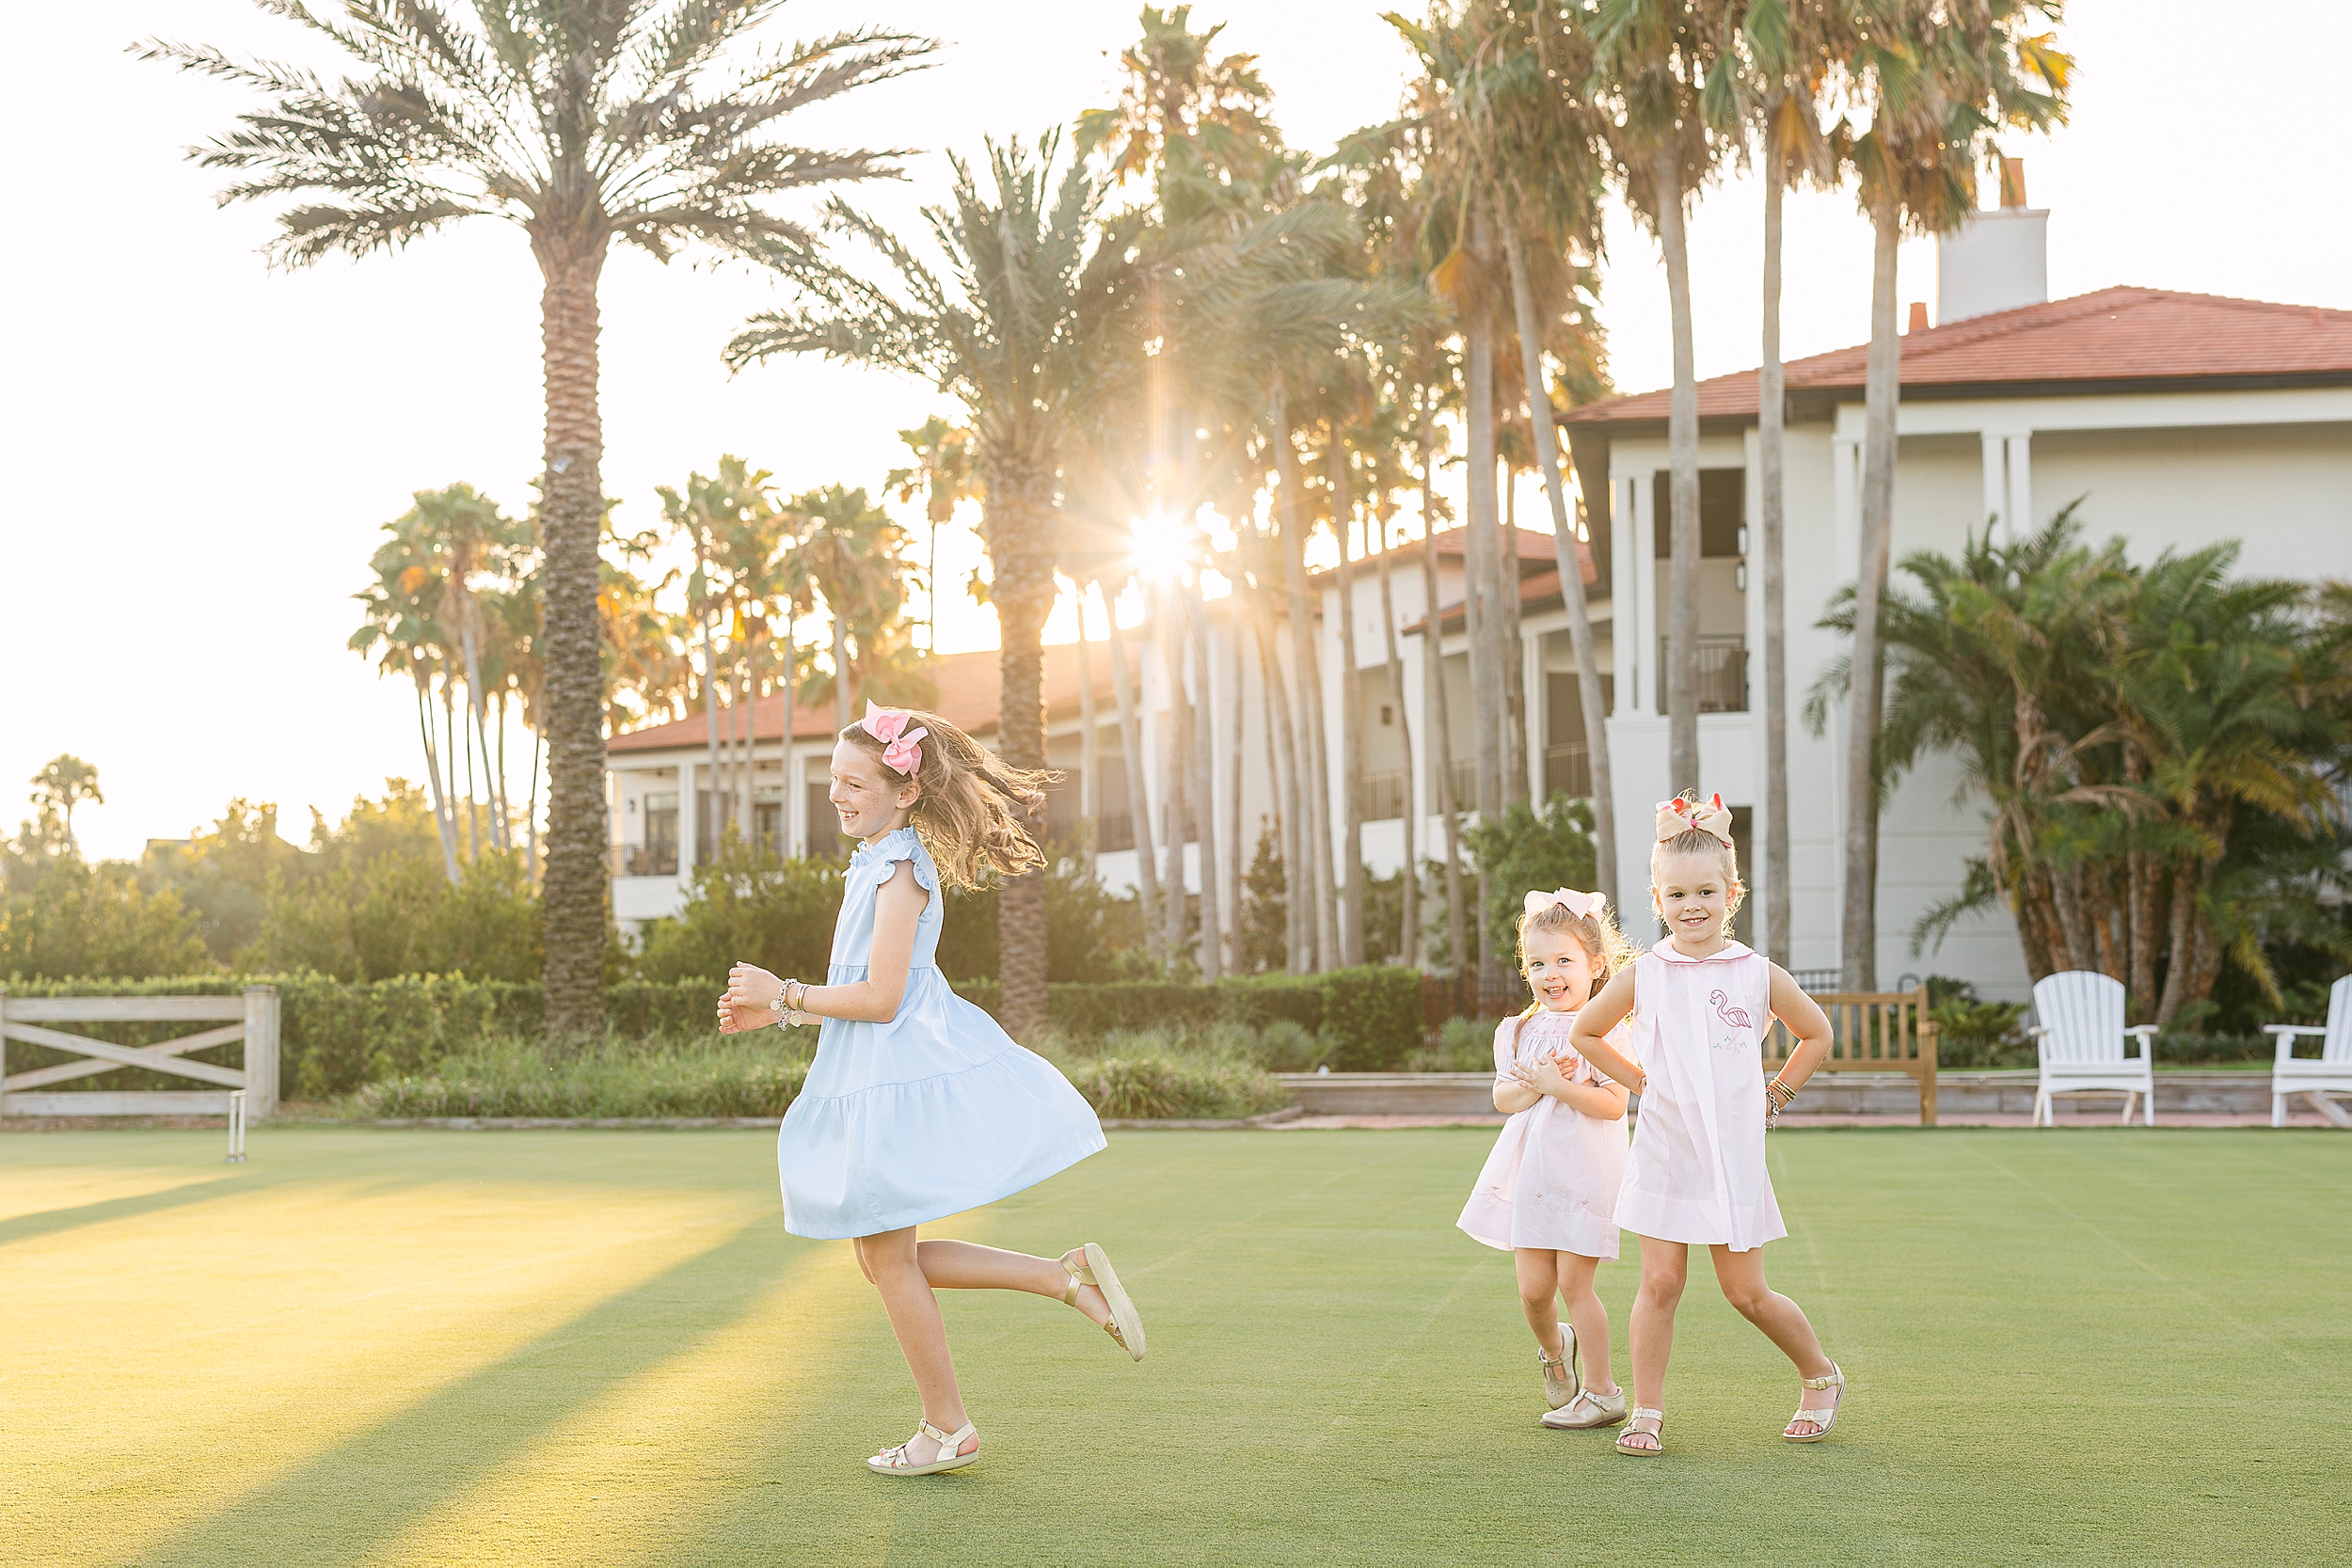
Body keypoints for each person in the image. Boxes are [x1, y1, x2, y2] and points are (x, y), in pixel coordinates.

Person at [719, 703, 1144, 1478]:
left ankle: (949, 1426)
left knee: (886, 1256)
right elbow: (861, 988)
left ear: (904, 791)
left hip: (892, 1078)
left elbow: (881, 997)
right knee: (882, 1256)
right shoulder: (877, 859)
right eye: (835, 782)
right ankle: (1060, 1276)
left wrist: (782, 991)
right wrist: (773, 1013)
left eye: (854, 783)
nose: (838, 796)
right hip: (874, 1072)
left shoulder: (900, 870)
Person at [1567, 793, 1845, 1457]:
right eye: (1677, 893)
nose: (1692, 905)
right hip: (1664, 1148)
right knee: (1659, 1282)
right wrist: (1643, 1084)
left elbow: (1817, 1033)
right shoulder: (1644, 974)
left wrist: (1775, 1093)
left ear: (1732, 892)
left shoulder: (1756, 974)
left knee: (1745, 1291)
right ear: (1656, 899)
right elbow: (1586, 1031)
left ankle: (1821, 1374)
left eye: (1706, 892)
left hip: (1731, 1155)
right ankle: (1647, 1410)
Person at [1457, 888, 1633, 1433]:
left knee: (1574, 1285)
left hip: (1583, 1169)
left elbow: (1614, 1104)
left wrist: (1560, 1084)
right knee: (1534, 1291)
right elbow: (1503, 1098)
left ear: (1595, 965)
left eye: (1564, 961)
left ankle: (1604, 1393)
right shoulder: (1516, 1031)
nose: (1550, 973)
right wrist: (1537, 1085)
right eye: (1538, 962)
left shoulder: (1605, 1027)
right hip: (1531, 1171)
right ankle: (1556, 1351)